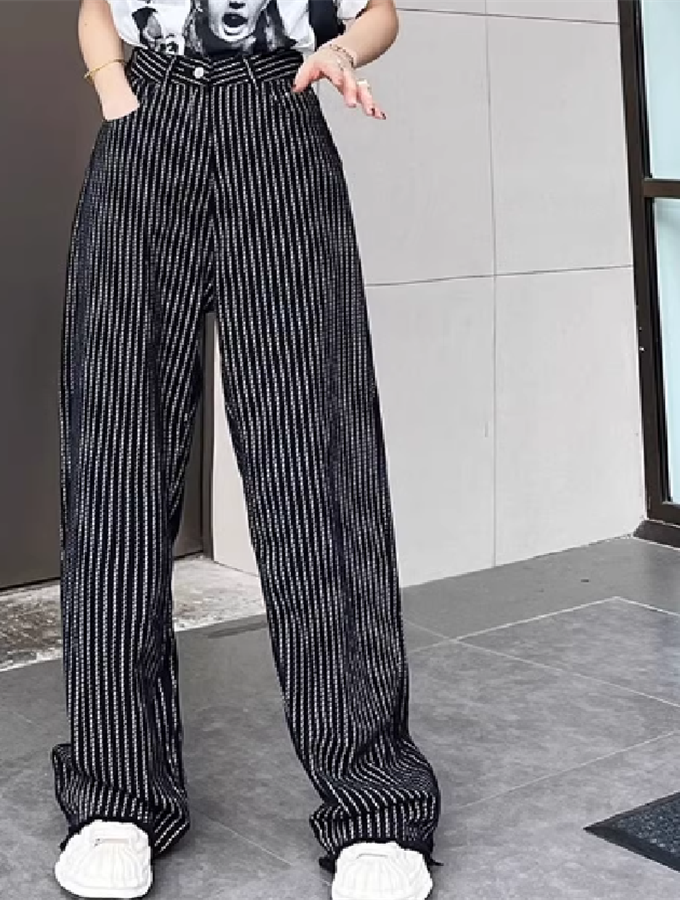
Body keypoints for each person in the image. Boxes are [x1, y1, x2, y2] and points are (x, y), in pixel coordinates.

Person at [52, 1, 441, 898]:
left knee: (318, 463)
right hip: (146, 124)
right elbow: (96, 7)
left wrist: (341, 50)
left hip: (280, 120)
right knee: (115, 462)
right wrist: (114, 92)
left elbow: (379, 11)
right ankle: (116, 796)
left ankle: (374, 803)